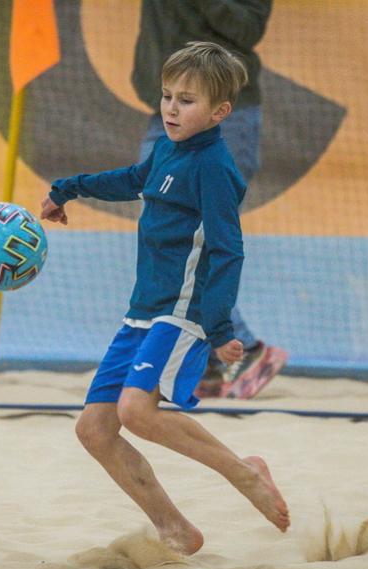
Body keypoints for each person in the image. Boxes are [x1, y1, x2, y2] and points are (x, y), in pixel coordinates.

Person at [40, 42, 289, 555]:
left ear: (220, 111)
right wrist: (68, 188)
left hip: (182, 312)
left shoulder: (214, 167)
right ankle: (175, 528)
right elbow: (133, 180)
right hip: (142, 312)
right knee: (94, 430)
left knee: (137, 411)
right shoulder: (168, 148)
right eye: (168, 96)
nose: (172, 109)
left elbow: (228, 250)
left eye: (187, 100)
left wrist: (219, 329)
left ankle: (244, 473)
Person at [131, 0, 287, 400]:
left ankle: (241, 350)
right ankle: (210, 359)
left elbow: (247, 29)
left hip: (222, 118)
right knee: (165, 239)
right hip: (167, 110)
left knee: (195, 243)